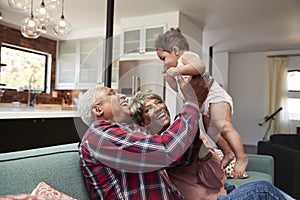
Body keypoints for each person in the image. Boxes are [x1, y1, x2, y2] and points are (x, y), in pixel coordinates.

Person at [129, 90, 294, 200]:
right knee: (263, 190)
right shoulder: (155, 146)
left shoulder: (190, 133)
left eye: (158, 102)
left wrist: (201, 148)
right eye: (149, 109)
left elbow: (217, 180)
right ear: (144, 121)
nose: (158, 108)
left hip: (220, 190)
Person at [77, 73, 213, 200]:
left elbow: (182, 158)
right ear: (98, 109)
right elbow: (166, 150)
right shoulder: (98, 135)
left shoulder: (127, 133)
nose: (123, 96)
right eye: (112, 94)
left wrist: (194, 105)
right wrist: (191, 103)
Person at [155, 27, 248, 178]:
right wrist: (169, 78)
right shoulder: (176, 67)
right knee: (210, 129)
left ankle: (241, 157)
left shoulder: (186, 58)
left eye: (163, 58)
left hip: (214, 97)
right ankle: (228, 152)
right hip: (203, 103)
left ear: (175, 50)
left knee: (222, 125)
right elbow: (177, 89)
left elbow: (200, 67)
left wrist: (177, 71)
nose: (163, 63)